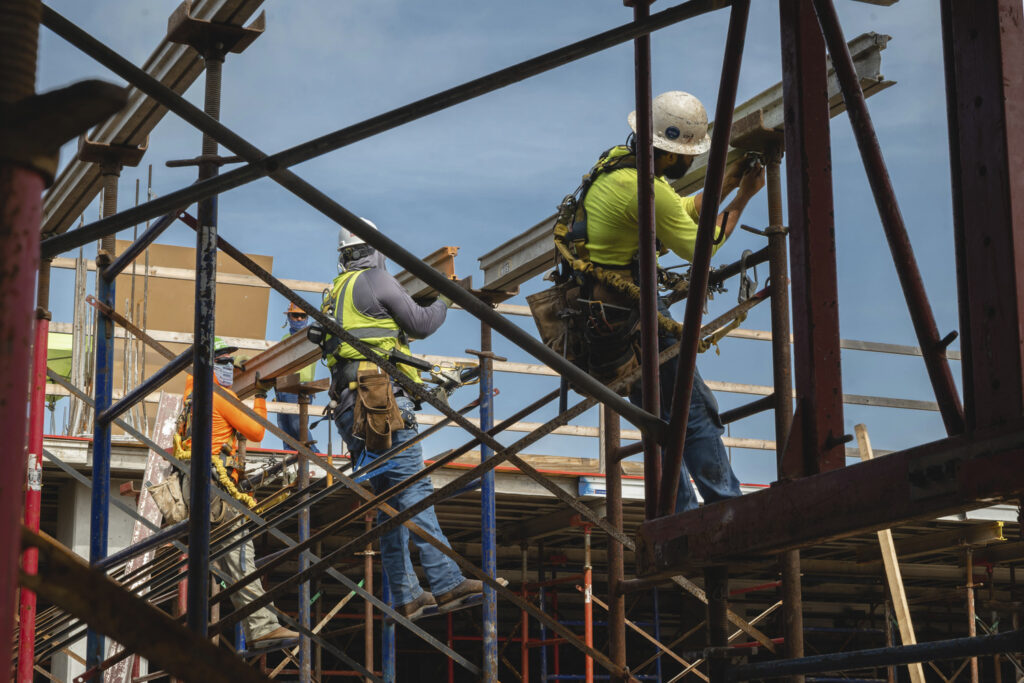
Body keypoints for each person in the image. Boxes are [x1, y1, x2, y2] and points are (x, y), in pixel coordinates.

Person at [575, 91, 766, 513]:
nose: (692, 163)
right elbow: (704, 247)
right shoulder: (647, 189)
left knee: (659, 420)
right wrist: (743, 197)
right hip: (635, 315)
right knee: (694, 409)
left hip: (608, 313)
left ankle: (678, 512)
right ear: (672, 153)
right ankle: (727, 508)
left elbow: (676, 209)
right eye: (691, 155)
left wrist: (726, 180)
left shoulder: (617, 167)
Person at [322, 219, 481, 620]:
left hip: (348, 409)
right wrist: (449, 296)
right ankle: (447, 583)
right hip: (380, 405)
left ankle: (408, 594)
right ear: (374, 250)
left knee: (391, 503)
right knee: (415, 490)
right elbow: (422, 324)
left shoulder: (333, 292)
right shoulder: (377, 279)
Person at [180, 337, 298, 645]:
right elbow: (257, 432)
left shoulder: (192, 394)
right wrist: (259, 396)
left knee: (226, 561)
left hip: (196, 483)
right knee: (240, 553)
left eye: (233, 364)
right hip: (215, 483)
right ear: (211, 365)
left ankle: (257, 629)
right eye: (225, 363)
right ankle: (261, 629)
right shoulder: (218, 393)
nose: (231, 369)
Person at [275, 302, 316, 446]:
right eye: (296, 315)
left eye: (302, 316)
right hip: (284, 385)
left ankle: (314, 456)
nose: (299, 319)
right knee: (285, 430)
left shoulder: (311, 336)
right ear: (289, 317)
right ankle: (292, 463)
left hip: (299, 387)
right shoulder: (286, 338)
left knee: (298, 427)